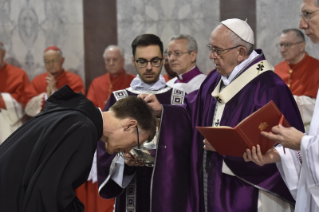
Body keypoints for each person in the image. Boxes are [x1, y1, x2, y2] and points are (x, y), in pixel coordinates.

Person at [140, 18, 304, 212]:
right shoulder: (214, 79)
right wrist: (164, 109)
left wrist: (230, 146)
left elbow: (292, 147)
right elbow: (193, 109)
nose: (211, 56)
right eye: (211, 48)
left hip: (252, 191)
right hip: (213, 183)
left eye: (217, 50)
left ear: (241, 52)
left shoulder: (270, 87)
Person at [0, 85, 157, 212]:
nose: (128, 150)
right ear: (130, 125)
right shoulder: (83, 129)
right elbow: (49, 196)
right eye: (135, 143)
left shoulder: (76, 116)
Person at [97, 34, 190, 212]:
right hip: (132, 192)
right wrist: (124, 161)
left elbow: (190, 143)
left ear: (163, 59)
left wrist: (165, 112)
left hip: (170, 189)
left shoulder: (179, 99)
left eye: (155, 61)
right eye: (142, 61)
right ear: (133, 61)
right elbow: (104, 145)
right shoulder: (119, 99)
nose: (149, 67)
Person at [244, 0, 319, 211]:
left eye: (308, 14)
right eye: (281, 45)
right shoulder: (277, 69)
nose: (302, 24)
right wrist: (280, 155)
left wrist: (301, 141)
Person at [77, 45, 135, 212]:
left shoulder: (131, 81)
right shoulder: (97, 82)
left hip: (124, 139)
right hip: (100, 138)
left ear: (123, 61)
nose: (111, 63)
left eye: (114, 59)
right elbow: (89, 108)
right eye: (107, 60)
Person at [275, 28, 319, 131]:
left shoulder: (316, 68)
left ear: (302, 46)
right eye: (281, 45)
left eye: (288, 45)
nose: (283, 49)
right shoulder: (276, 70)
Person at [24, 46, 85, 117]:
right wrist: (46, 96)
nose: (51, 65)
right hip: (43, 122)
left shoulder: (74, 80)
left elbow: (78, 104)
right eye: (47, 61)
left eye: (54, 60)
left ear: (62, 60)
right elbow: (27, 106)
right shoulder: (37, 80)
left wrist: (54, 92)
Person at [0, 41, 29, 144]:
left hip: (11, 122)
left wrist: (2, 100)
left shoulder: (19, 74)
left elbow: (24, 101)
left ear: (3, 53)